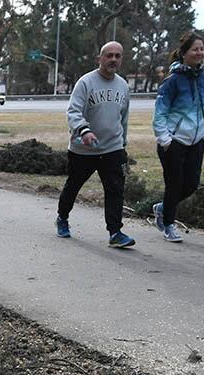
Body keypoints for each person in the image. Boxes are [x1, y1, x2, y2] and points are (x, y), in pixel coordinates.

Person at [56, 41, 134, 248]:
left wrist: (123, 143)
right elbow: (73, 112)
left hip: (113, 148)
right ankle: (62, 217)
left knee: (115, 190)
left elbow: (123, 117)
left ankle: (115, 232)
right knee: (73, 186)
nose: (113, 60)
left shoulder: (123, 86)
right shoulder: (86, 83)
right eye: (109, 55)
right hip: (83, 149)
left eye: (118, 56)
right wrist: (84, 130)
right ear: (100, 59)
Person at [152, 32, 204, 243]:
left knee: (192, 184)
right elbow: (160, 112)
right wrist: (165, 139)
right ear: (184, 53)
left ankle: (162, 208)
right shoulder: (173, 81)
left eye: (202, 49)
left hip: (196, 139)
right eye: (195, 49)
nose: (200, 53)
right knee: (174, 184)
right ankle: (168, 224)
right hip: (173, 141)